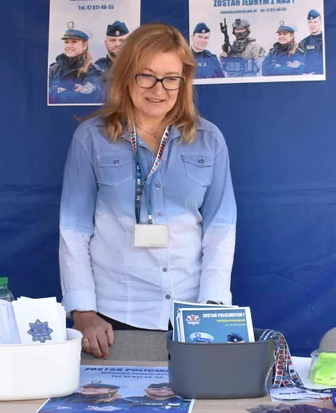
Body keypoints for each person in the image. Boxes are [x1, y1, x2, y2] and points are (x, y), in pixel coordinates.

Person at [58, 22, 236, 357]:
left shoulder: (209, 139)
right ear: (126, 76)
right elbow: (73, 231)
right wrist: (82, 311)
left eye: (171, 78)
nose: (159, 89)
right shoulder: (92, 138)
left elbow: (221, 228)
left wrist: (213, 307)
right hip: (112, 320)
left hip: (191, 316)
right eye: (146, 75)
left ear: (183, 81)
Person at [48, 23, 103, 105]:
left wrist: (57, 93)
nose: (69, 46)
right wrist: (71, 94)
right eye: (66, 42)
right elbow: (43, 94)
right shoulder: (54, 69)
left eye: (74, 41)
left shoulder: (92, 71)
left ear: (84, 45)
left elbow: (88, 98)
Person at [45, 381, 132, 413]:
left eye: (96, 388)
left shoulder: (123, 403)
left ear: (111, 390)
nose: (89, 389)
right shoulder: (65, 396)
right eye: (86, 387)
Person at [298, 9, 324, 74]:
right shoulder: (303, 42)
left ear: (320, 22)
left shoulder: (325, 40)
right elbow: (298, 62)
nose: (312, 25)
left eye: (315, 22)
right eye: (310, 22)